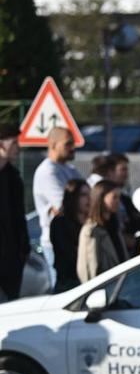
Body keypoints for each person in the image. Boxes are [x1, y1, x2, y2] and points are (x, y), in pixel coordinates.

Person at [32, 126, 83, 257]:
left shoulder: (71, 169)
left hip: (75, 237)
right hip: (57, 241)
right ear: (53, 144)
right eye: (68, 144)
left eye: (73, 143)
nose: (73, 148)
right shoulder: (48, 171)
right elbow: (66, 206)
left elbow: (86, 198)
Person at [0, 124, 30, 301]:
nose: (18, 147)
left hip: (11, 258)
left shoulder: (13, 177)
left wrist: (23, 249)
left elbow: (19, 216)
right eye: (14, 143)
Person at [77, 181, 128, 282]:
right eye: (114, 197)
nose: (118, 201)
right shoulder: (91, 231)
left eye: (119, 197)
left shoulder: (115, 227)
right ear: (101, 198)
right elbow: (88, 271)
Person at [49, 180, 89, 292]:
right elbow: (68, 252)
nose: (89, 199)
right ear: (73, 197)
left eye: (90, 195)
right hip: (68, 283)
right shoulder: (60, 223)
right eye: (83, 195)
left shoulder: (92, 222)